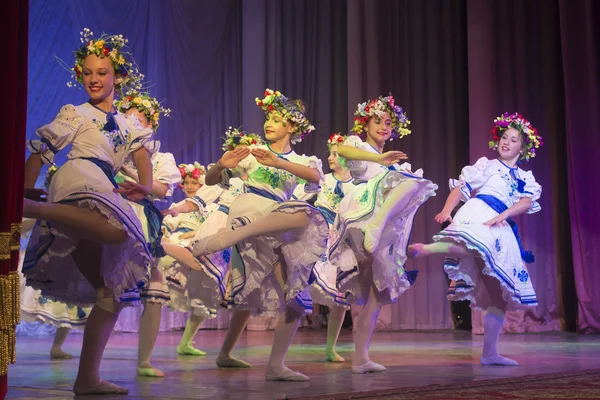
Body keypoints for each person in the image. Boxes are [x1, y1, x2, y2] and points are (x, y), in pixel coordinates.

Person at [22, 28, 152, 395]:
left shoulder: (129, 124)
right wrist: (27, 187)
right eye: (88, 73)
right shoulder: (75, 113)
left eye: (102, 73)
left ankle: (87, 379)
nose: (93, 79)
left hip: (102, 183)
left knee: (111, 293)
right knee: (118, 233)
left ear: (118, 78)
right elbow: (42, 150)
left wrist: (143, 184)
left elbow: (142, 154)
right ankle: (29, 205)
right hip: (79, 175)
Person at [409, 112, 543, 366]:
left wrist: (503, 214)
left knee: (499, 296)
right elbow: (462, 187)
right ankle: (428, 249)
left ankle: (490, 353)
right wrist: (448, 209)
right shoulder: (488, 166)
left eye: (514, 140)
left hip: (500, 224)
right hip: (480, 211)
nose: (507, 142)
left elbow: (526, 201)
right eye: (504, 137)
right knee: (471, 246)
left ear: (523, 148)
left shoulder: (526, 178)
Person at [328, 95, 437, 373]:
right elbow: (343, 150)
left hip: (379, 229)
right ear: (366, 123)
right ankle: (376, 224)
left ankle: (360, 359)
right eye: (378, 120)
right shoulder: (358, 144)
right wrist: (378, 157)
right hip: (360, 212)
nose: (384, 126)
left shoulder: (392, 165)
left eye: (389, 122)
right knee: (412, 183)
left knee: (377, 293)